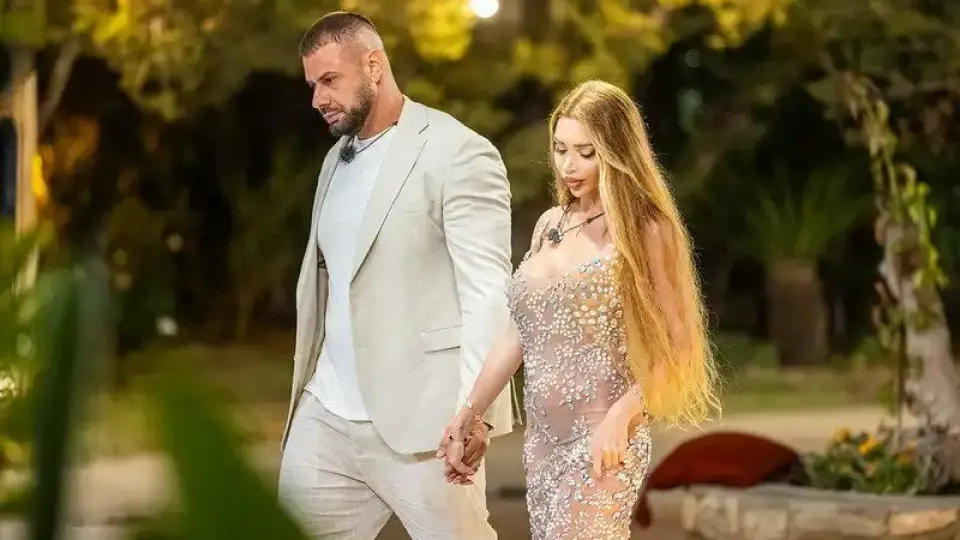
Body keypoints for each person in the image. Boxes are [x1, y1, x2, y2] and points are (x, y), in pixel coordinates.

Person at [438, 79, 723, 539]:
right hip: (542, 445)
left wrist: (622, 416)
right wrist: (468, 415)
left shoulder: (647, 230)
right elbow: (517, 333)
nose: (569, 165)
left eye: (586, 152)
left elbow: (680, 346)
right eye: (560, 149)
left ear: (616, 152)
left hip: (604, 440)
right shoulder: (550, 224)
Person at [278, 11, 516, 540]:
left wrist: (474, 411)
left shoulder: (458, 152)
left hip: (424, 424)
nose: (318, 99)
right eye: (312, 85)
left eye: (330, 80)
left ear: (374, 65)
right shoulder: (335, 160)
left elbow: (487, 294)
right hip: (327, 417)